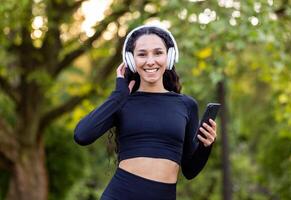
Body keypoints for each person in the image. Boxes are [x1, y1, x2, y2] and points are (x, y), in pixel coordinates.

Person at [74, 24, 217, 200]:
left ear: (170, 56)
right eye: (142, 54)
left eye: (158, 53)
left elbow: (190, 170)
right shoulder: (122, 102)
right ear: (131, 60)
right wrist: (119, 94)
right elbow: (82, 135)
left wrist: (206, 146)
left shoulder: (187, 105)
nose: (150, 61)